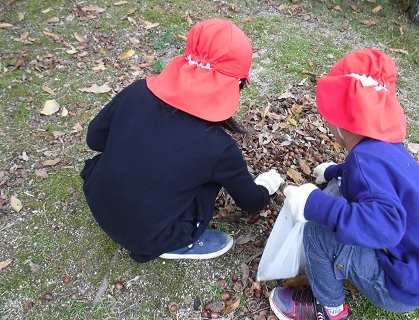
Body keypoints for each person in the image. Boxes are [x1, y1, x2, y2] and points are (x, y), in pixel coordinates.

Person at [269, 49, 419, 320]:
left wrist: (314, 204)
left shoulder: (363, 161)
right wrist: (334, 172)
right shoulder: (384, 148)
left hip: (402, 289)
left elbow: (385, 227)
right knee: (343, 204)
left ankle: (329, 314)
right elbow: (372, 180)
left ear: (341, 121)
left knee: (317, 231)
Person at [80, 19, 283, 263]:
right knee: (209, 179)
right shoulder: (219, 146)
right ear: (236, 84)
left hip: (96, 196)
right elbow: (250, 202)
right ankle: (175, 243)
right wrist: (265, 187)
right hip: (147, 237)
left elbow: (95, 139)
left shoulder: (137, 90)